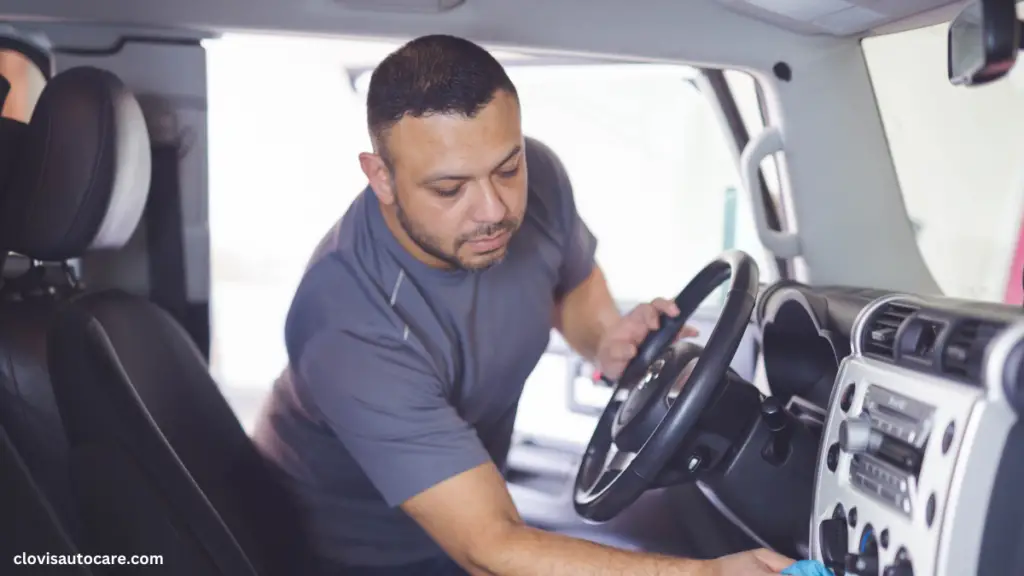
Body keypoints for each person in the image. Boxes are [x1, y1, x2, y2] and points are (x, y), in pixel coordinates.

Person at [252, 34, 794, 576]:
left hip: (482, 494)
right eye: (449, 189)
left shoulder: (538, 175)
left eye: (506, 169)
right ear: (382, 178)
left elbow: (569, 281)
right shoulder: (348, 324)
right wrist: (708, 574)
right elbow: (489, 548)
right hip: (360, 554)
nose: (494, 209)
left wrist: (604, 337)